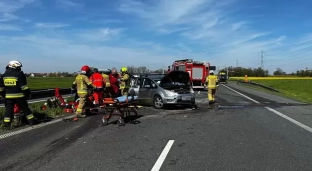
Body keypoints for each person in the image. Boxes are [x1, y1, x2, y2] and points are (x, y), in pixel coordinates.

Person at [0, 60, 34, 128]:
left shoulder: (3, 75)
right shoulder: (19, 74)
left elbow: (1, 88)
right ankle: (31, 121)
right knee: (25, 109)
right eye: (19, 67)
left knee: (8, 110)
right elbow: (23, 87)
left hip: (8, 97)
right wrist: (27, 93)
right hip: (20, 96)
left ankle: (7, 125)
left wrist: (3, 95)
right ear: (14, 66)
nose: (20, 69)